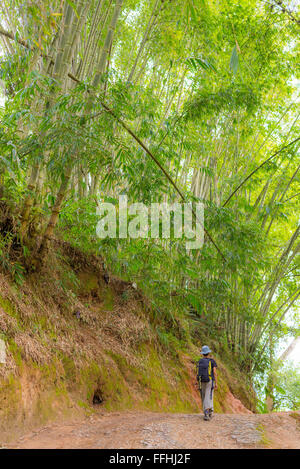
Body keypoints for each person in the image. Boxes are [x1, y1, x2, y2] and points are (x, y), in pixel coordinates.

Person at [196, 345, 218, 421]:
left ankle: (209, 410)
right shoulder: (212, 361)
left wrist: (197, 382)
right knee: (209, 395)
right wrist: (216, 382)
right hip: (210, 380)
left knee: (204, 395)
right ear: (208, 353)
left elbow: (197, 372)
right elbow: (214, 372)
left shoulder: (200, 361)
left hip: (202, 380)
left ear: (202, 353)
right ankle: (207, 412)